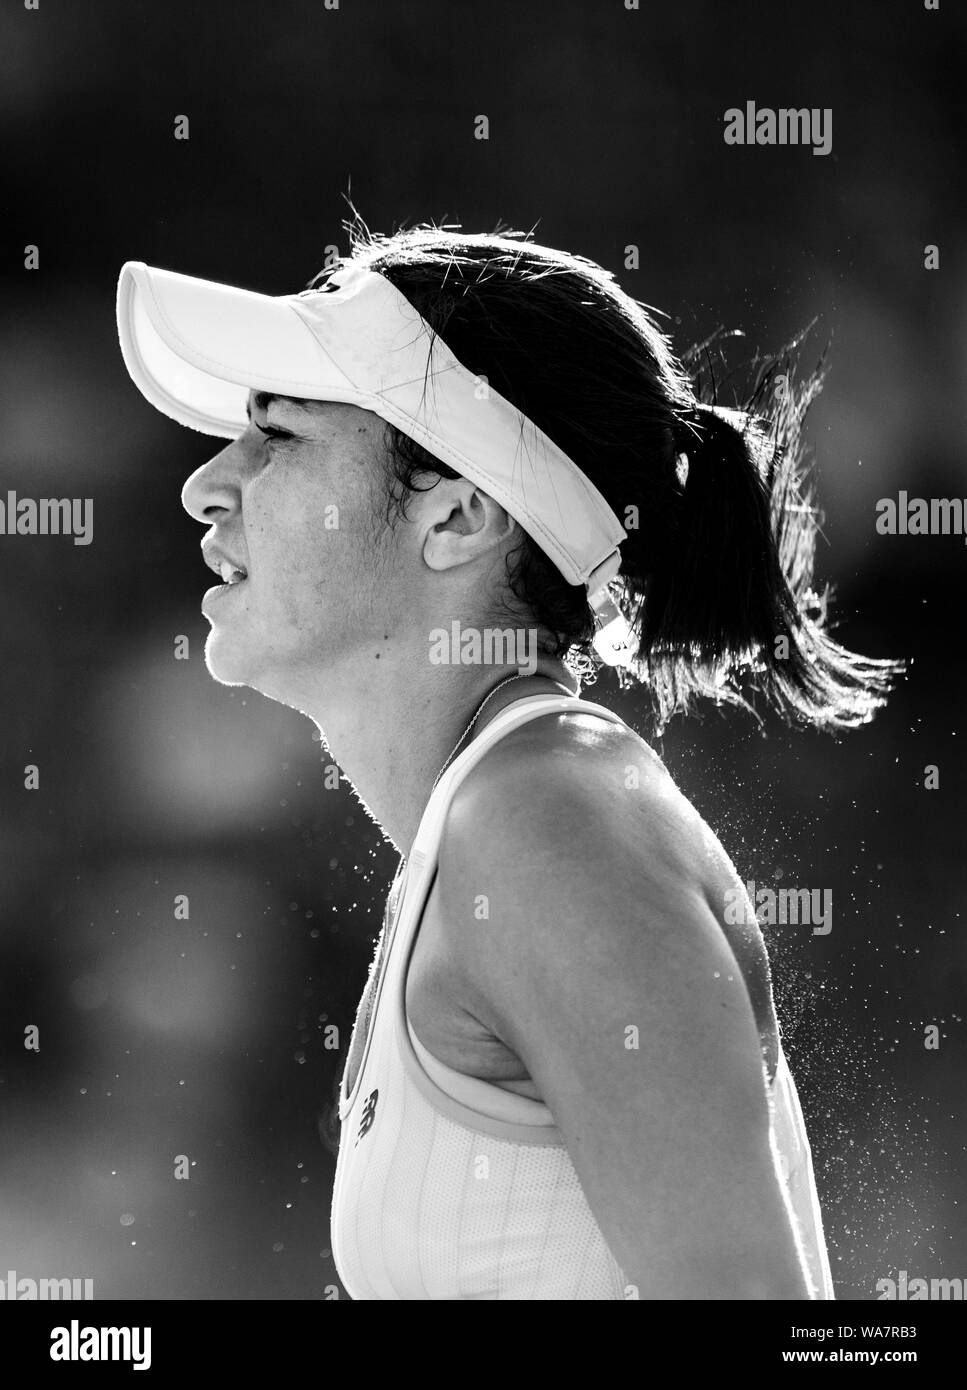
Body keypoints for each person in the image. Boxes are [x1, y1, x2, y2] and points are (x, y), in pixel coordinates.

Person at [116, 221, 899, 1300]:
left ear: (458, 516)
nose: (210, 484)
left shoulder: (545, 824)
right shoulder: (504, 812)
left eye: (279, 436)